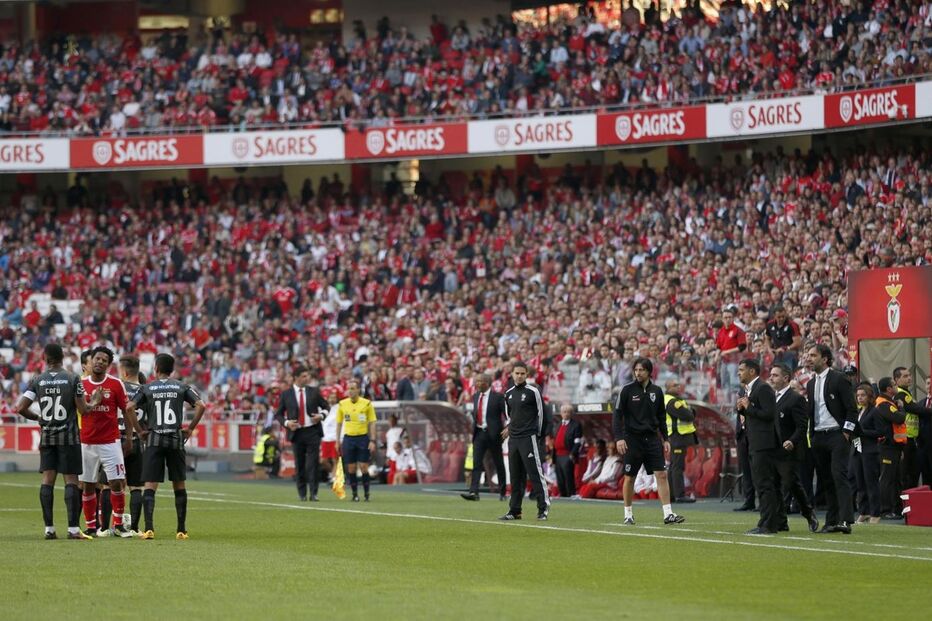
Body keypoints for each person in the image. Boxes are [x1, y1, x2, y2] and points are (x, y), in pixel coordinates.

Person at [15, 343, 101, 540]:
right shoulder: (72, 378)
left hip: (47, 437)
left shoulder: (38, 379)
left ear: (45, 358)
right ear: (62, 357)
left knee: (47, 480)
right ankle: (72, 529)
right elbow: (83, 409)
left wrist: (39, 418)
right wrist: (95, 401)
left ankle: (49, 529)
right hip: (69, 437)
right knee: (71, 480)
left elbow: (20, 408)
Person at [129, 353, 207, 540]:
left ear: (156, 368)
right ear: (172, 370)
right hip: (175, 439)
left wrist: (140, 431)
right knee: (178, 484)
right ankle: (181, 529)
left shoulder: (147, 388)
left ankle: (149, 529)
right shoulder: (181, 386)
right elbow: (201, 405)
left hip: (154, 439)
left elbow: (128, 407)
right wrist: (190, 429)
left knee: (150, 485)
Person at [613, 357, 685, 525]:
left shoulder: (657, 391)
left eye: (641, 370)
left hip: (652, 439)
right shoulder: (626, 390)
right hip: (632, 439)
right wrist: (619, 438)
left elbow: (661, 416)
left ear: (649, 372)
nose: (638, 373)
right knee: (629, 477)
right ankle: (628, 514)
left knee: (661, 474)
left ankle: (668, 514)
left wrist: (665, 438)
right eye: (636, 370)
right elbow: (617, 416)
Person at [80, 346, 141, 538]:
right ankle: (91, 527)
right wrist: (93, 403)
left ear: (108, 364)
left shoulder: (116, 384)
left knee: (116, 483)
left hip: (110, 442)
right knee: (88, 485)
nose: (99, 362)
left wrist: (130, 438)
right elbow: (81, 411)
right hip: (87, 441)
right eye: (97, 358)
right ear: (91, 361)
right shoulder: (80, 384)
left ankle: (119, 525)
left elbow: (127, 411)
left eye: (104, 360)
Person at [805, 344, 857, 534]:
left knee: (839, 476)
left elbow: (852, 409)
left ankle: (845, 520)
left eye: (813, 355)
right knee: (826, 480)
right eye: (807, 355)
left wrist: (846, 432)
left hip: (837, 434)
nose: (808, 358)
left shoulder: (839, 378)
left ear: (825, 358)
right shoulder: (810, 383)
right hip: (819, 437)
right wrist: (812, 435)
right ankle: (831, 520)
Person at [769, 364, 818, 532]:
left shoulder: (796, 399)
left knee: (788, 484)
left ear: (786, 378)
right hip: (773, 449)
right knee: (778, 485)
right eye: (771, 375)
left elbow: (802, 426)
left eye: (775, 375)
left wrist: (792, 441)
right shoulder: (771, 398)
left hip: (790, 450)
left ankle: (808, 512)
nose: (771, 378)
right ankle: (782, 522)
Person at [499, 361, 550, 521]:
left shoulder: (533, 391)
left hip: (529, 438)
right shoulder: (508, 393)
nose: (519, 376)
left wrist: (538, 435)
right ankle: (515, 510)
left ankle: (543, 509)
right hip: (514, 439)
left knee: (535, 475)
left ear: (527, 374)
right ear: (512, 374)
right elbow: (509, 416)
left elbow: (542, 415)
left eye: (522, 373)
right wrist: (510, 428)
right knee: (515, 477)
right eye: (517, 373)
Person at [736, 359, 781, 534]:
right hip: (753, 441)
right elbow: (752, 414)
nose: (739, 373)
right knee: (761, 483)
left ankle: (768, 524)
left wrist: (749, 406)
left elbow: (769, 414)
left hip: (763, 443)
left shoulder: (763, 388)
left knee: (765, 484)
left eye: (741, 369)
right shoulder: (749, 389)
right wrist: (741, 408)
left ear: (752, 371)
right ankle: (767, 521)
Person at [276, 365, 330, 501]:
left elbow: (326, 406)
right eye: (304, 376)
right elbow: (278, 415)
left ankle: (314, 493)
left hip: (312, 431)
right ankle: (302, 493)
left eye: (307, 376)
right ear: (296, 378)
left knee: (313, 464)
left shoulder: (314, 391)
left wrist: (321, 416)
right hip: (297, 432)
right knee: (300, 464)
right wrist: (288, 423)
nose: (307, 378)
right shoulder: (286, 394)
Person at [461, 373, 507, 501]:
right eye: (476, 381)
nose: (477, 384)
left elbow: (507, 414)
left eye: (480, 381)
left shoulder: (497, 397)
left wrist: (507, 428)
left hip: (494, 434)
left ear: (487, 383)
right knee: (477, 463)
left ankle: (503, 492)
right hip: (479, 433)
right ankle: (474, 492)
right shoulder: (475, 396)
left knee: (498, 463)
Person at [118, 355, 147, 534]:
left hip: (114, 440)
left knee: (109, 486)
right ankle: (134, 528)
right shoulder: (147, 391)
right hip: (138, 439)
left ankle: (107, 526)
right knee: (136, 487)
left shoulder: (117, 387)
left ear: (125, 371)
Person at [335, 379, 377, 502]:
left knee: (364, 466)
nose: (350, 391)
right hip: (348, 438)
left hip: (362, 438)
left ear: (358, 390)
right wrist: (337, 440)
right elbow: (339, 423)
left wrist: (372, 440)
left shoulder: (367, 404)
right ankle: (354, 494)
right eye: (349, 389)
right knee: (351, 468)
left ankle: (367, 493)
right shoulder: (342, 404)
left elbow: (372, 423)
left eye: (353, 388)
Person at [892, 367, 932, 489]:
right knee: (906, 474)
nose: (909, 378)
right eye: (905, 376)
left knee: (913, 473)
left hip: (913, 440)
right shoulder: (901, 394)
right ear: (897, 379)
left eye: (909, 375)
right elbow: (915, 409)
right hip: (904, 439)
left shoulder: (907, 393)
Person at [875, 377, 908, 520]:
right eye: (894, 385)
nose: (896, 387)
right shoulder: (883, 404)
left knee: (895, 479)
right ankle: (885, 510)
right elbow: (899, 418)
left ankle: (896, 509)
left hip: (894, 447)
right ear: (889, 389)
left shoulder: (888, 402)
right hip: (887, 447)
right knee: (887, 479)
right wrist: (901, 407)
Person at [852, 383, 882, 524]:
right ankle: (864, 511)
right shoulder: (858, 412)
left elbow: (880, 431)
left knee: (871, 483)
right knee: (860, 482)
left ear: (869, 396)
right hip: (857, 450)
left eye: (863, 395)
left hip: (870, 451)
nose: (860, 398)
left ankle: (875, 513)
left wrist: (863, 432)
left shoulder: (874, 411)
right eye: (858, 396)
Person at [664, 378, 697, 503]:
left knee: (673, 466)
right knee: (677, 466)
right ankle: (679, 495)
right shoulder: (672, 401)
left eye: (678, 384)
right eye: (675, 385)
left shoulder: (673, 399)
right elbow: (688, 415)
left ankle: (672, 495)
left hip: (675, 436)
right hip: (678, 436)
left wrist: (690, 411)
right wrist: (691, 412)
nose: (678, 387)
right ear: (668, 388)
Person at [552, 404, 583, 498]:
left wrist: (572, 454)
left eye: (568, 412)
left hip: (567, 455)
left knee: (568, 478)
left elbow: (578, 442)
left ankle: (571, 496)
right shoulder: (557, 425)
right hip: (557, 456)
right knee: (560, 479)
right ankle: (563, 497)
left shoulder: (576, 425)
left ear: (571, 413)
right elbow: (554, 442)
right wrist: (552, 458)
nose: (566, 414)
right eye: (564, 412)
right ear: (561, 413)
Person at [765, 305, 802, 370]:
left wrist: (786, 348)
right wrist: (769, 349)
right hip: (777, 353)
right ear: (774, 316)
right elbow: (767, 337)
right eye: (779, 317)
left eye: (783, 316)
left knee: (787, 372)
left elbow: (798, 342)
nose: (781, 318)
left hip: (790, 353)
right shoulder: (770, 324)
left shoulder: (792, 325)